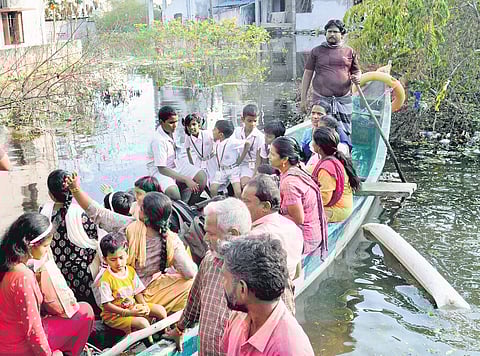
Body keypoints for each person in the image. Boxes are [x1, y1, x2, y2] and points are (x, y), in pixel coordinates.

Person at [65, 173, 197, 313]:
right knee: (191, 284)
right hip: (145, 292)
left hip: (120, 296)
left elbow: (98, 213)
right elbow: (190, 273)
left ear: (144, 215)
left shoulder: (129, 226)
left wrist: (76, 190)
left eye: (141, 207)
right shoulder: (172, 240)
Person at [164, 198, 252, 355]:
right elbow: (194, 300)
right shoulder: (210, 260)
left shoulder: (257, 273)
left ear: (233, 234)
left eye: (210, 233)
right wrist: (180, 328)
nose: (204, 239)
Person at [0, 213, 94, 356]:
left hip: (7, 338)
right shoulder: (23, 276)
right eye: (45, 246)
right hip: (19, 347)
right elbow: (33, 329)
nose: (46, 251)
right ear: (30, 245)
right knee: (86, 311)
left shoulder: (8, 263)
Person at [221, 235, 314, 356]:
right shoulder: (238, 318)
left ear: (242, 289)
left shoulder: (290, 349)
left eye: (225, 278)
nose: (222, 283)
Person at [40, 169, 98, 308]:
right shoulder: (82, 213)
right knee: (88, 306)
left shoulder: (44, 212)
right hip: (82, 273)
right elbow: (93, 242)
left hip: (57, 272)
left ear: (50, 194)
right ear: (73, 190)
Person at [95, 232, 167, 335]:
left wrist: (144, 305)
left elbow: (137, 292)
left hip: (132, 307)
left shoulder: (130, 271)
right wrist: (127, 313)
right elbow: (107, 305)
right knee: (143, 324)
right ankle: (150, 344)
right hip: (115, 316)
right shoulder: (106, 279)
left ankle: (162, 335)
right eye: (113, 260)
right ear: (105, 260)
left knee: (161, 311)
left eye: (121, 258)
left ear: (127, 254)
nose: (118, 263)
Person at [301, 19, 362, 137]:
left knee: (344, 131)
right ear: (325, 33)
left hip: (343, 100)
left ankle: (343, 152)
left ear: (342, 34)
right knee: (319, 131)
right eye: (329, 32)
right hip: (321, 99)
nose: (332, 34)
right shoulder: (317, 51)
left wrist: (357, 78)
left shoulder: (349, 51)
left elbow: (357, 71)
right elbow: (307, 74)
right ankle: (318, 154)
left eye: (335, 32)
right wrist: (303, 99)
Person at [269, 137, 328, 256]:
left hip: (306, 239)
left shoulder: (289, 183)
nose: (269, 157)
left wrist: (269, 216)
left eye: (272, 154)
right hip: (313, 231)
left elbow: (298, 219)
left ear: (284, 159)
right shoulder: (298, 167)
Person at [242, 174, 303, 282]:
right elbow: (297, 272)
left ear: (265, 206)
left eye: (246, 201)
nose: (241, 205)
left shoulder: (254, 238)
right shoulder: (293, 227)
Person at [147, 105, 207, 202]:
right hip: (161, 171)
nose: (175, 125)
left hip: (175, 164)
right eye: (171, 122)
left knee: (202, 176)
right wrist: (186, 179)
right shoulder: (158, 140)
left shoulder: (169, 130)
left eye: (176, 122)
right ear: (161, 122)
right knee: (173, 192)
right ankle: (179, 209)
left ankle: (190, 206)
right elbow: (162, 169)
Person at [311, 127, 361, 222]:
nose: (311, 143)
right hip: (343, 203)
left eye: (313, 141)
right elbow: (311, 169)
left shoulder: (327, 169)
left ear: (319, 147)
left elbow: (324, 198)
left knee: (303, 214)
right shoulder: (331, 157)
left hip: (339, 208)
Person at [210, 120, 245, 198]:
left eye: (215, 129)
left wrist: (240, 160)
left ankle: (239, 206)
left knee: (238, 192)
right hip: (222, 170)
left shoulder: (231, 142)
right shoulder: (217, 142)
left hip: (233, 170)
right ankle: (216, 204)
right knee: (213, 188)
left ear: (221, 134)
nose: (212, 131)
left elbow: (247, 143)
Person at [234, 104, 265, 188]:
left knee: (245, 184)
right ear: (242, 119)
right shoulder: (236, 132)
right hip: (238, 163)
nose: (252, 124)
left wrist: (255, 175)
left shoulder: (260, 137)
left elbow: (259, 159)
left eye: (255, 121)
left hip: (251, 166)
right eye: (249, 121)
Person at [183, 113, 217, 185]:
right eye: (189, 126)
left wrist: (216, 152)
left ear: (199, 125)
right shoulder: (188, 137)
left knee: (214, 180)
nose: (191, 127)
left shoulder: (207, 133)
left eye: (194, 124)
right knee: (200, 181)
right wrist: (191, 164)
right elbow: (187, 149)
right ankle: (209, 194)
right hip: (199, 161)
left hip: (211, 160)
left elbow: (217, 142)